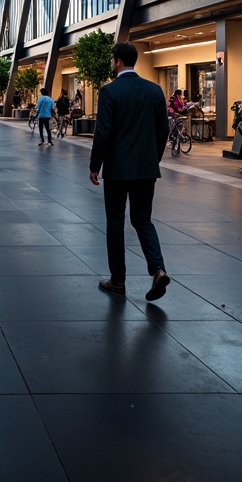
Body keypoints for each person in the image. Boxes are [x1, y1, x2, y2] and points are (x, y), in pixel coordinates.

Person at [88, 42, 171, 301]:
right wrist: (151, 159)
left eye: (112, 60)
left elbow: (103, 132)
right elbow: (163, 130)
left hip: (117, 170)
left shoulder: (110, 91)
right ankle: (158, 269)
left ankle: (118, 281)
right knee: (143, 220)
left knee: (115, 223)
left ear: (118, 61)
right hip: (146, 169)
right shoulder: (155, 90)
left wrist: (94, 166)